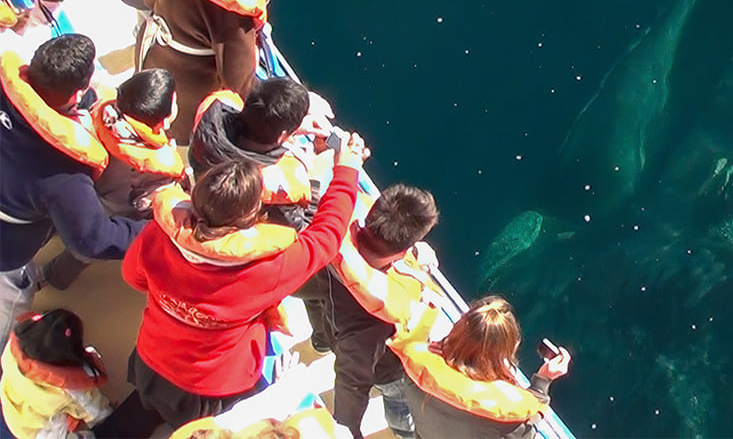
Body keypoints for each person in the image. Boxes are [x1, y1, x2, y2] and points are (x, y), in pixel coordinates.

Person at [111, 134, 368, 432]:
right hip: (213, 387)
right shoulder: (270, 267)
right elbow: (328, 234)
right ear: (252, 217)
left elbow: (133, 277)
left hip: (151, 359)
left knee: (142, 411)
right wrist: (347, 169)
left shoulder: (160, 234)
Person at [0, 35, 144, 343]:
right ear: (77, 94)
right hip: (6, 258)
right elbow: (91, 241)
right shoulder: (63, 174)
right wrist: (145, 230)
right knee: (9, 315)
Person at [305, 184, 440, 438]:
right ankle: (403, 433)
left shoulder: (328, 233)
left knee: (322, 312)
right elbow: (352, 381)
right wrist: (346, 430)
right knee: (401, 407)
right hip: (388, 371)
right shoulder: (378, 318)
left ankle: (320, 342)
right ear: (401, 253)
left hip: (332, 317)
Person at [41, 68, 186, 291]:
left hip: (77, 190)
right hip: (109, 213)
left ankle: (45, 270)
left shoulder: (96, 107)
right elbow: (144, 203)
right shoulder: (158, 165)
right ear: (164, 122)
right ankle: (53, 279)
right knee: (82, 254)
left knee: (63, 228)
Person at [139, 0, 282, 145]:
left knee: (145, 108)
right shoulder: (233, 15)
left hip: (152, 59)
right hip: (184, 97)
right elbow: (239, 83)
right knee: (172, 135)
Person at [391, 296, 571, 439]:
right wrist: (542, 382)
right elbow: (528, 431)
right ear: (507, 350)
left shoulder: (417, 368)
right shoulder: (504, 415)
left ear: (457, 330)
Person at [188, 78, 318, 227]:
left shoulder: (209, 121)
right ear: (282, 136)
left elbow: (241, 117)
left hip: (204, 199)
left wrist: (288, 131)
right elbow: (302, 229)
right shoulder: (276, 185)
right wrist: (314, 181)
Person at [0, 308, 111, 438]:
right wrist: (108, 416)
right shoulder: (68, 389)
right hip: (38, 431)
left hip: (12, 409)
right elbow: (96, 412)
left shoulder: (12, 350)